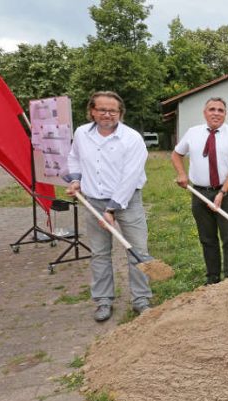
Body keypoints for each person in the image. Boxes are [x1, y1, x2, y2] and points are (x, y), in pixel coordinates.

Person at [64, 91, 152, 322]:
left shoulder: (132, 138)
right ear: (92, 111)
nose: (107, 114)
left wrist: (111, 210)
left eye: (113, 110)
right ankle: (103, 301)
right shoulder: (82, 133)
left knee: (138, 251)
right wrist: (75, 179)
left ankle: (141, 300)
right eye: (102, 110)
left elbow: (130, 176)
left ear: (120, 113)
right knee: (100, 253)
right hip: (93, 200)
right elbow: (73, 157)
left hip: (127, 201)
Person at [171, 97, 228, 285]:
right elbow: (176, 154)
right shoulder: (193, 133)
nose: (216, 113)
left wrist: (222, 193)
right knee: (207, 238)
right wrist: (181, 174)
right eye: (212, 109)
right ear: (205, 113)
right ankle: (212, 278)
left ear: (225, 114)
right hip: (199, 194)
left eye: (220, 110)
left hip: (226, 193)